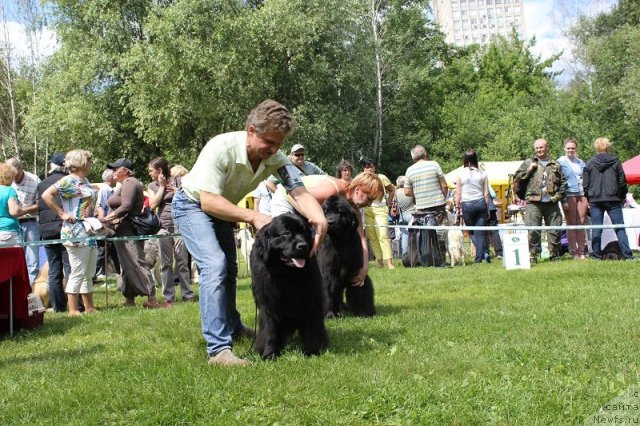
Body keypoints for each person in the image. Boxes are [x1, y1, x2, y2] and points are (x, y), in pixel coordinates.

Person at [171, 99, 328, 367]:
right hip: (192, 205)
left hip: (222, 207)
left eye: (279, 144)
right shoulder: (221, 148)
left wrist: (319, 219)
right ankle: (218, 350)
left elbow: (299, 192)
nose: (274, 149)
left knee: (229, 270)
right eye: (269, 142)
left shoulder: (275, 158)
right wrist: (253, 215)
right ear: (251, 130)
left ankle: (233, 326)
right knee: (214, 265)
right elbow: (208, 201)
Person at [271, 172, 384, 282]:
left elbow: (361, 238)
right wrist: (311, 217)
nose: (369, 205)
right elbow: (292, 194)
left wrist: (364, 269)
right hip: (285, 199)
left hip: (300, 205)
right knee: (292, 248)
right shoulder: (332, 190)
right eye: (369, 199)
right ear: (358, 190)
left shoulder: (352, 207)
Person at [42, 150, 99, 316]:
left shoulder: (85, 181)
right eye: (89, 161)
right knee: (77, 271)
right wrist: (62, 214)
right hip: (74, 232)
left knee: (89, 273)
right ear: (80, 163)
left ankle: (89, 307)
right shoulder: (67, 181)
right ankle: (73, 309)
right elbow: (47, 195)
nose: (91, 164)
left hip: (88, 230)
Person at [102, 158, 160, 308]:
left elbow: (126, 206)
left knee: (136, 261)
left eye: (116, 168)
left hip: (127, 229)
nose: (114, 171)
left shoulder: (130, 183)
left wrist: (106, 218)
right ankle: (129, 299)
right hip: (122, 230)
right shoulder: (127, 183)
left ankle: (152, 298)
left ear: (126, 171)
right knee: (127, 264)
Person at [147, 157, 194, 306]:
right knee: (165, 263)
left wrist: (177, 191)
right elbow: (153, 205)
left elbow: (191, 198)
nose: (149, 174)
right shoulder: (152, 186)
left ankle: (187, 294)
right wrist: (161, 187)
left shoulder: (179, 181)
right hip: (163, 227)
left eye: (151, 171)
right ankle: (169, 296)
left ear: (160, 170)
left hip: (181, 226)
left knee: (182, 261)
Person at [513, 138, 566, 264]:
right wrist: (529, 170)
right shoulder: (528, 162)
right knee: (533, 229)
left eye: (541, 147)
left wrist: (557, 197)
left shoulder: (556, 164)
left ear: (547, 147)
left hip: (551, 201)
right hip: (533, 201)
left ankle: (554, 254)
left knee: (554, 229)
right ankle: (533, 255)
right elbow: (517, 178)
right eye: (536, 148)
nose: (539, 150)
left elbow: (563, 183)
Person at [583, 137, 633, 260]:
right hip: (613, 199)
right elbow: (622, 182)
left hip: (595, 200)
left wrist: (589, 197)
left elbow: (585, 184)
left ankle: (596, 256)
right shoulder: (616, 161)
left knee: (596, 229)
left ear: (596, 147)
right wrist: (621, 197)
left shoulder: (589, 163)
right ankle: (627, 255)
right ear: (608, 146)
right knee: (619, 228)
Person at [36, 152, 71, 312]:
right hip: (65, 228)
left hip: (47, 230)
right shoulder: (69, 181)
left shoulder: (41, 184)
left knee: (54, 270)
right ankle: (75, 305)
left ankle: (58, 306)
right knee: (70, 268)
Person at [404, 145, 450, 262]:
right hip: (438, 205)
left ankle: (428, 259)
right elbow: (444, 185)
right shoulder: (434, 164)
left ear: (414, 158)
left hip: (421, 208)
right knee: (440, 232)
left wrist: (418, 193)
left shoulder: (410, 170)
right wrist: (443, 198)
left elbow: (407, 191)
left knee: (426, 234)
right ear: (425, 154)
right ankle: (441, 259)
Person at [7, 157, 41, 283]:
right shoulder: (5, 180)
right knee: (12, 260)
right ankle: (15, 292)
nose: (13, 178)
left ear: (21, 169)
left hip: (31, 223)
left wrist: (25, 211)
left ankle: (31, 293)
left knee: (32, 261)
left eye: (15, 174)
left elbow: (41, 202)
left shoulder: (34, 179)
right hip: (10, 225)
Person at [454, 149, 490, 264]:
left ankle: (481, 256)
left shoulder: (460, 173)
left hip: (467, 204)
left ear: (465, 159)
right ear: (475, 159)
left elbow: (458, 193)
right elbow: (486, 193)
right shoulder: (483, 173)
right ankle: (483, 254)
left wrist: (457, 206)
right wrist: (487, 208)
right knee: (480, 232)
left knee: (472, 232)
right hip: (480, 203)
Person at [361, 158, 396, 269]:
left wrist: (388, 204)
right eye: (367, 167)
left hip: (381, 210)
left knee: (383, 236)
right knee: (372, 238)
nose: (369, 169)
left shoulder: (382, 177)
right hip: (367, 211)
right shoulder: (361, 179)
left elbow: (392, 190)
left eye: (371, 166)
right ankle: (379, 262)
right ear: (363, 168)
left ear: (374, 167)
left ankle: (390, 263)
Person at [557, 137, 588, 260]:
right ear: (564, 148)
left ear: (576, 149)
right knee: (571, 223)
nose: (570, 150)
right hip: (568, 194)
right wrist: (562, 199)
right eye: (568, 148)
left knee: (581, 222)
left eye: (573, 148)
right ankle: (573, 252)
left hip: (582, 194)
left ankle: (581, 251)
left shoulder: (581, 162)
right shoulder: (560, 162)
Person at [94, 168, 121, 281]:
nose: (116, 177)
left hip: (110, 225)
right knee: (103, 250)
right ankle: (92, 274)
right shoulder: (104, 190)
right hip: (106, 225)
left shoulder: (110, 190)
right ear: (110, 178)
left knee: (114, 250)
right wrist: (103, 222)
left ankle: (121, 274)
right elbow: (100, 206)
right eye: (115, 175)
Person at [0, 163, 25, 245]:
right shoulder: (9, 190)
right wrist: (19, 207)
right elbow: (14, 212)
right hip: (7, 232)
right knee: (13, 258)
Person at [394, 175, 415, 257]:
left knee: (405, 236)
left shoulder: (396, 192)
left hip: (401, 217)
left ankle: (404, 254)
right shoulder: (409, 191)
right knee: (415, 235)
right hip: (411, 215)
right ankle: (415, 254)